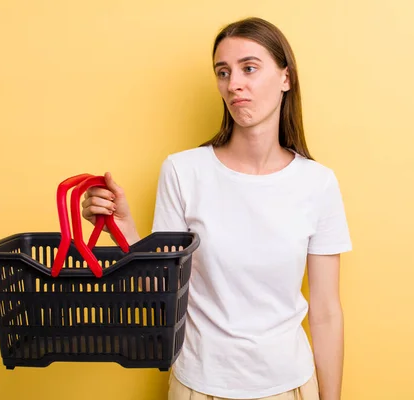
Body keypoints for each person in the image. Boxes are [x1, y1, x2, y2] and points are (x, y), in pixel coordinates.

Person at [82, 17, 352, 400]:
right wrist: (123, 229)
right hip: (199, 385)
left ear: (285, 77)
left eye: (249, 68)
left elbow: (326, 312)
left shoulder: (318, 183)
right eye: (223, 72)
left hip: (290, 385)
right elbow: (162, 290)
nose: (233, 84)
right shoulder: (183, 171)